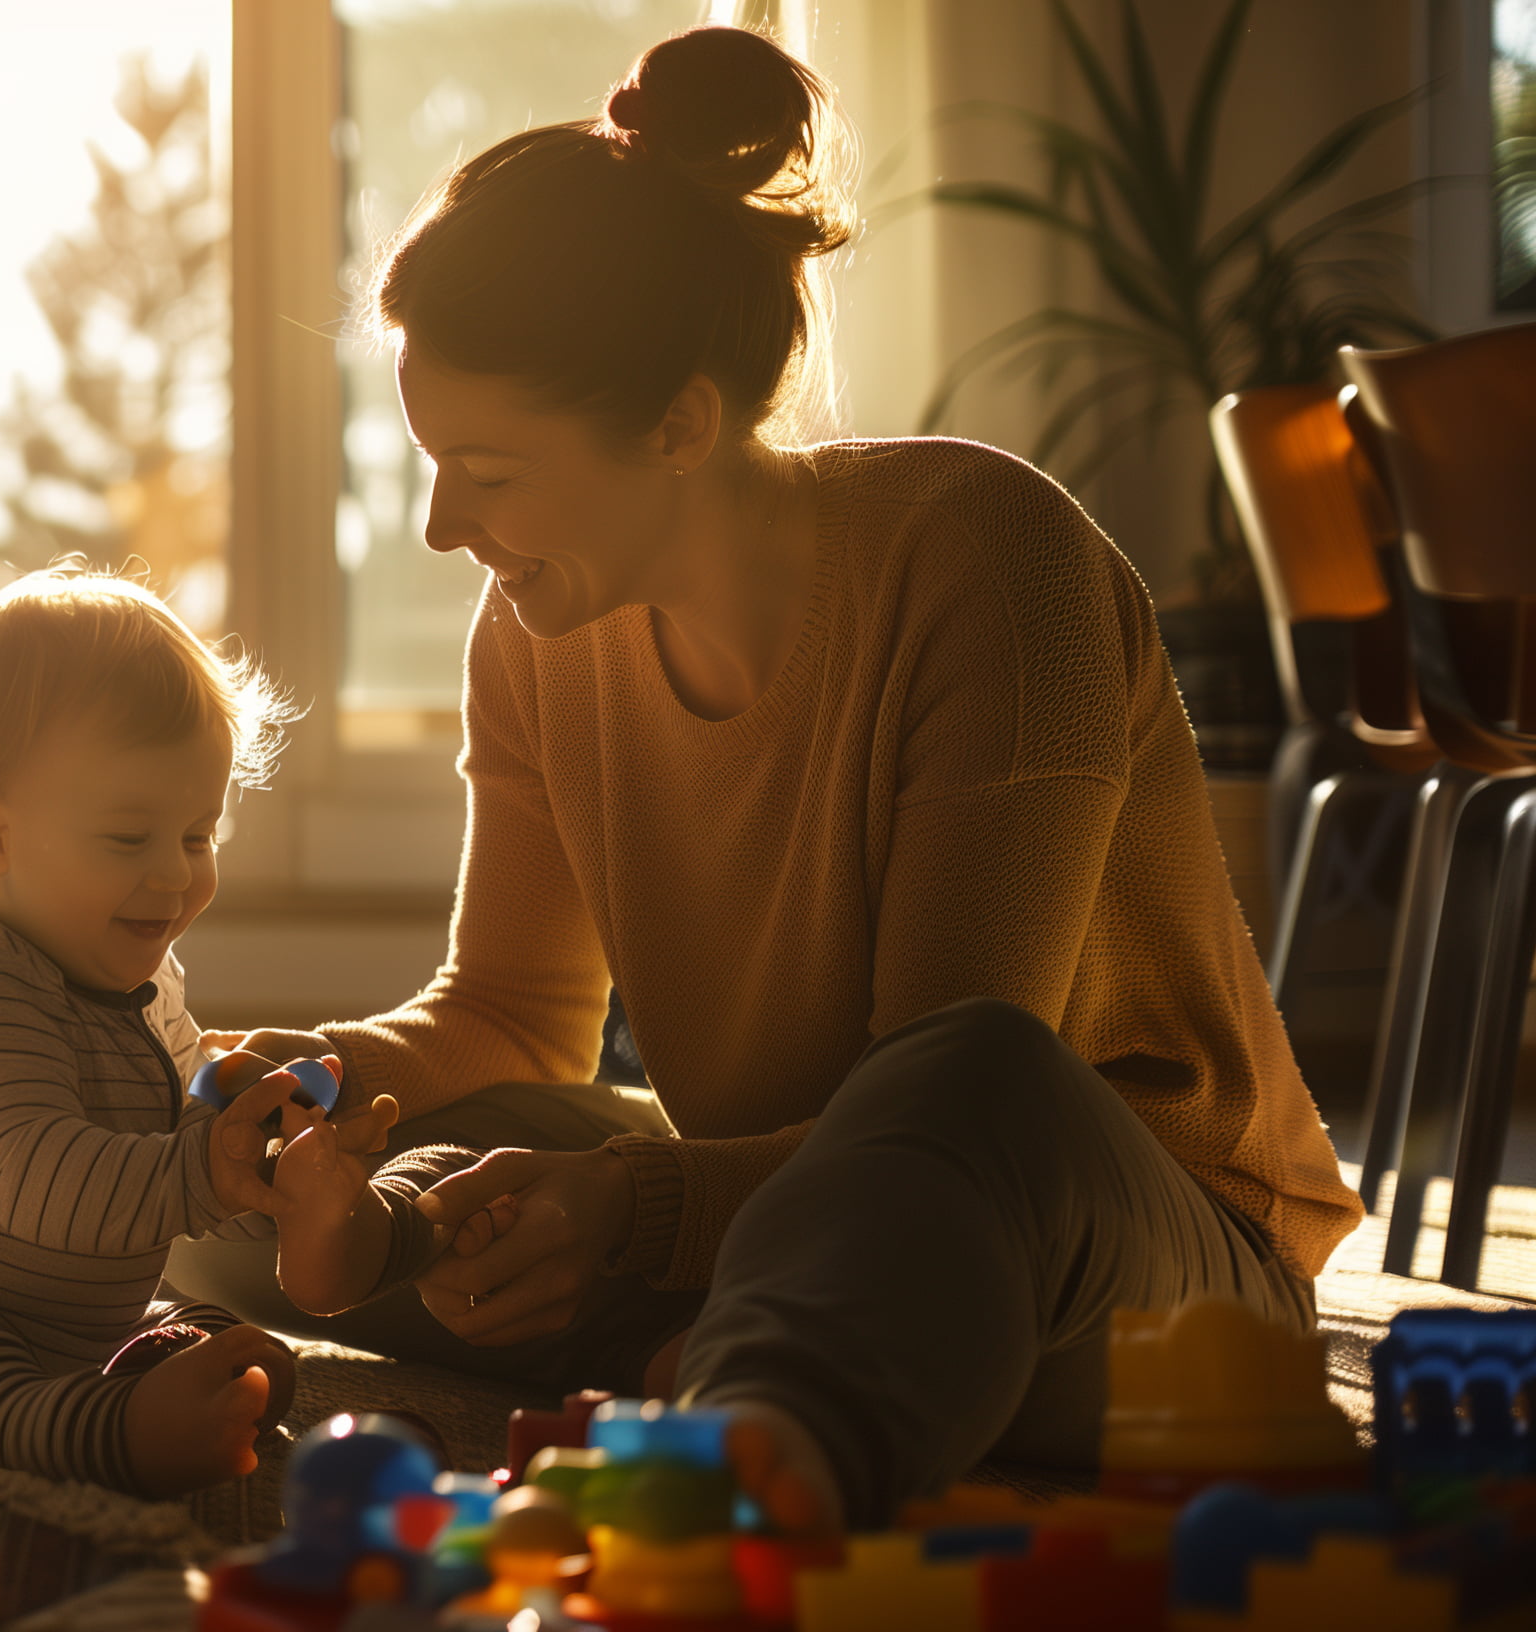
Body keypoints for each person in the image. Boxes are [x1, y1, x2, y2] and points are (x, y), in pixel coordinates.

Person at [168, 24, 1364, 1532]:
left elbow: (941, 1091)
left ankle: (744, 1468)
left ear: (676, 424)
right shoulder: (539, 632)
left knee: (966, 1080)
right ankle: (735, 1365)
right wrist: (317, 1089)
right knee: (263, 1204)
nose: (440, 527)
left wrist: (642, 1209)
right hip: (784, 1211)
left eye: (488, 470)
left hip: (1127, 1260)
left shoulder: (988, 563)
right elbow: (511, 1016)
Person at [0, 567, 402, 1496]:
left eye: (197, 834)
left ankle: (119, 1392)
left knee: (208, 1335)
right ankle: (107, 1430)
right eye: (127, 839)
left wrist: (268, 1154)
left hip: (57, 1324)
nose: (176, 878)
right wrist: (204, 1170)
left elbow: (175, 1152)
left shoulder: (148, 980)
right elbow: (42, 1186)